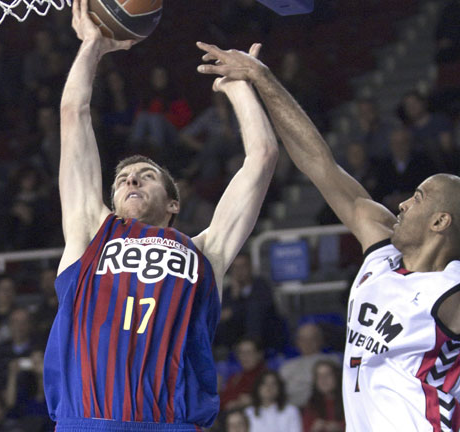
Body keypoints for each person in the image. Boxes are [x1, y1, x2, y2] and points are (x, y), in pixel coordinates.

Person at [197, 42, 460, 431]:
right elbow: (317, 161)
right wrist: (261, 77)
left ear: (440, 222)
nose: (403, 204)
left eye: (418, 198)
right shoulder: (380, 249)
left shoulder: (451, 287)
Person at [43, 1, 279, 429]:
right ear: (113, 202)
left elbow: (261, 158)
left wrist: (239, 86)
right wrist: (91, 47)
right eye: (122, 180)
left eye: (146, 176)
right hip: (89, 421)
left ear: (174, 203)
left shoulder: (205, 252)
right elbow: (72, 115)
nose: (132, 179)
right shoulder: (91, 232)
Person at [301, 360, 345, 432]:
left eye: (328, 374)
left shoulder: (349, 401)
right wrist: (313, 429)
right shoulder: (311, 405)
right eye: (319, 376)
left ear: (336, 377)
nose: (323, 379)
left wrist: (340, 427)